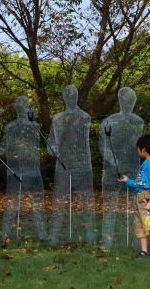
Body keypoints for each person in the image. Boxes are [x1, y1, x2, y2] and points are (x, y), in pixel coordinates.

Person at [0, 96, 47, 241]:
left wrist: (32, 120)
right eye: (18, 106)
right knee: (11, 204)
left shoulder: (35, 126)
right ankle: (5, 235)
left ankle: (42, 234)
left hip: (33, 170)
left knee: (38, 204)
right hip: (15, 170)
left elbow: (35, 140)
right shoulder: (10, 127)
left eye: (24, 105)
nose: (21, 108)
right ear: (16, 108)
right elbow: (5, 146)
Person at [47, 85, 97, 245]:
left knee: (86, 202)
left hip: (82, 166)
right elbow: (52, 142)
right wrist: (53, 148)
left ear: (76, 96)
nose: (70, 97)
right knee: (59, 202)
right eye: (67, 94)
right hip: (63, 165)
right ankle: (54, 237)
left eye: (73, 94)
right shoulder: (57, 118)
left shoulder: (84, 117)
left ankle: (90, 237)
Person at [99, 87, 144, 250]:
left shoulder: (138, 121)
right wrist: (113, 160)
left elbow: (139, 146)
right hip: (112, 171)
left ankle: (137, 241)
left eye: (133, 100)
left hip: (133, 170)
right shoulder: (109, 121)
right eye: (128, 100)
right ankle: (107, 241)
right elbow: (103, 145)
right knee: (109, 207)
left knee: (137, 208)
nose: (130, 103)